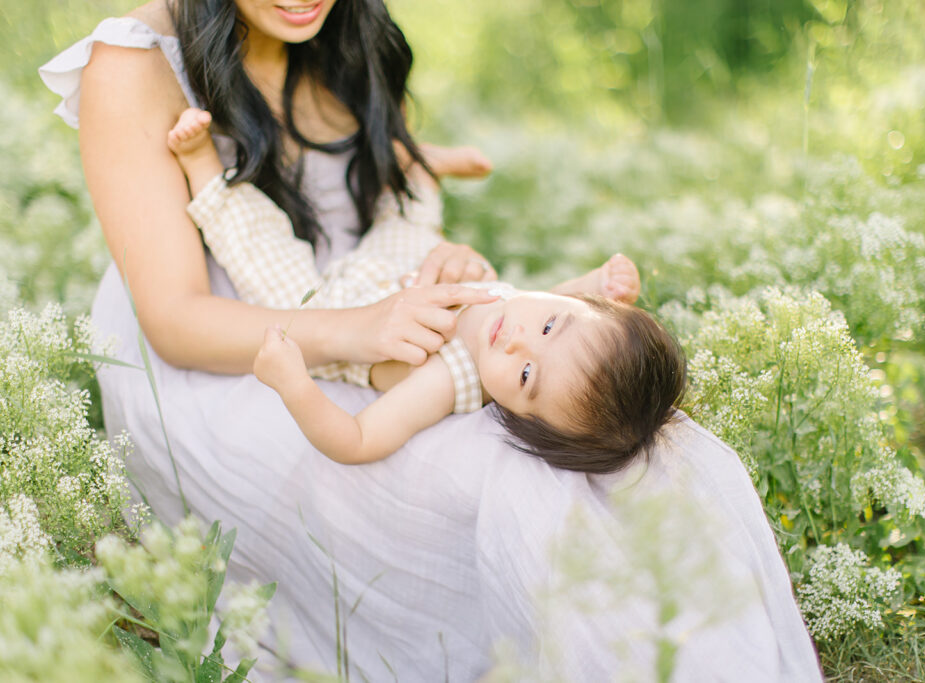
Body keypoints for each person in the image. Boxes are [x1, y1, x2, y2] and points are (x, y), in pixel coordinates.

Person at [40, 1, 824, 679]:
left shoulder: (344, 30)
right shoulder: (131, 63)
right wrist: (362, 329)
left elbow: (369, 199)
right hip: (227, 358)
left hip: (376, 303)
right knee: (511, 475)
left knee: (653, 446)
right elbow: (176, 321)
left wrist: (414, 182)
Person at [167, 106, 678, 472]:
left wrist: (293, 383)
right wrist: (598, 285)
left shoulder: (451, 378)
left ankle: (201, 166)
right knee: (411, 218)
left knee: (260, 250)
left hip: (335, 306)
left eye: (525, 375)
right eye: (549, 325)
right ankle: (419, 168)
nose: (518, 341)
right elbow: (554, 302)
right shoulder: (522, 313)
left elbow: (359, 440)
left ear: (519, 419)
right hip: (400, 269)